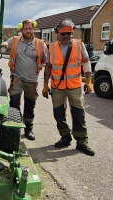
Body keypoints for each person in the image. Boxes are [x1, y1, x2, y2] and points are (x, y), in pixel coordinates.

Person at [42, 19, 95, 156]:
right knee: (59, 114)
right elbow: (48, 66)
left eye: (69, 34)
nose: (66, 36)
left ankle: (82, 142)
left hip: (75, 86)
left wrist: (88, 81)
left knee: (79, 114)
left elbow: (86, 63)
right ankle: (65, 137)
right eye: (63, 34)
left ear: (72, 33)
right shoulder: (51, 47)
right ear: (58, 33)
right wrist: (45, 85)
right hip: (57, 87)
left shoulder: (79, 45)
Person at [1, 19, 47, 140]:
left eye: (30, 28)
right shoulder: (15, 40)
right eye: (25, 29)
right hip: (17, 78)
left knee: (30, 105)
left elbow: (47, 60)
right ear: (21, 30)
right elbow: (5, 44)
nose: (28, 31)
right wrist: (5, 44)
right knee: (14, 103)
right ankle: (14, 129)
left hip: (32, 80)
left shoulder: (41, 44)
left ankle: (28, 129)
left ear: (33, 29)